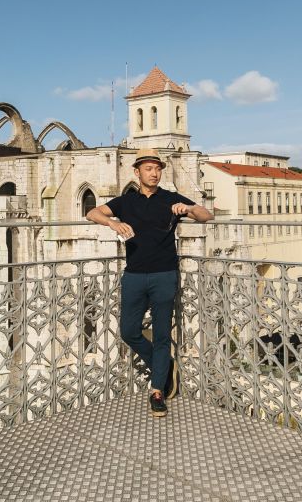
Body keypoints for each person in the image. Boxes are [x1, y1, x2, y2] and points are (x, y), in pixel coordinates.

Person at [86, 148, 213, 417]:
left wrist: (188, 208)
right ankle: (164, 365)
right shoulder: (126, 201)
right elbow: (92, 213)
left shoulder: (171, 198)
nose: (154, 173)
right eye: (148, 168)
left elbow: (206, 215)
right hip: (134, 275)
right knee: (129, 331)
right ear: (137, 172)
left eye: (157, 168)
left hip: (164, 274)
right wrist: (112, 224)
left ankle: (157, 390)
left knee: (162, 332)